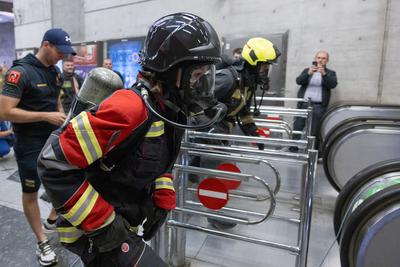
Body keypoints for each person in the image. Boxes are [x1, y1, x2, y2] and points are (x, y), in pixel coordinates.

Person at [37, 13, 224, 266]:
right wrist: (104, 225)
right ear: (170, 71)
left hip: (125, 222)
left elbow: (156, 158)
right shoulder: (129, 108)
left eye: (205, 76)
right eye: (196, 76)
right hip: (94, 232)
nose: (201, 86)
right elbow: (53, 163)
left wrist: (163, 197)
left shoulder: (168, 109)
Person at [0, 28, 76, 266]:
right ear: (46, 45)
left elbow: (55, 100)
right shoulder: (19, 72)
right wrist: (45, 116)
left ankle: (53, 219)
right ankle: (42, 241)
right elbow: (5, 111)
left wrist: (60, 114)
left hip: (53, 138)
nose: (63, 57)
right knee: (31, 193)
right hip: (29, 144)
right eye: (60, 52)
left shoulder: (54, 71)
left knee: (68, 179)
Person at [191, 37, 281, 229]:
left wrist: (253, 132)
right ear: (255, 63)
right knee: (213, 174)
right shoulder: (229, 78)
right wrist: (206, 124)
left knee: (201, 172)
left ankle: (191, 189)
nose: (267, 71)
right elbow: (195, 99)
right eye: (265, 67)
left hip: (220, 133)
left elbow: (242, 110)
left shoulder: (245, 82)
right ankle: (214, 215)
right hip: (209, 134)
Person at [291, 51, 338, 152]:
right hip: (303, 104)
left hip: (319, 106)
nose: (320, 60)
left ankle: (312, 152)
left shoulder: (331, 73)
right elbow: (298, 81)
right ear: (315, 59)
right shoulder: (307, 70)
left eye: (323, 58)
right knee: (297, 127)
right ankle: (293, 149)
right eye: (318, 57)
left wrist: (324, 74)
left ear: (327, 60)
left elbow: (333, 85)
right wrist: (308, 74)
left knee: (315, 130)